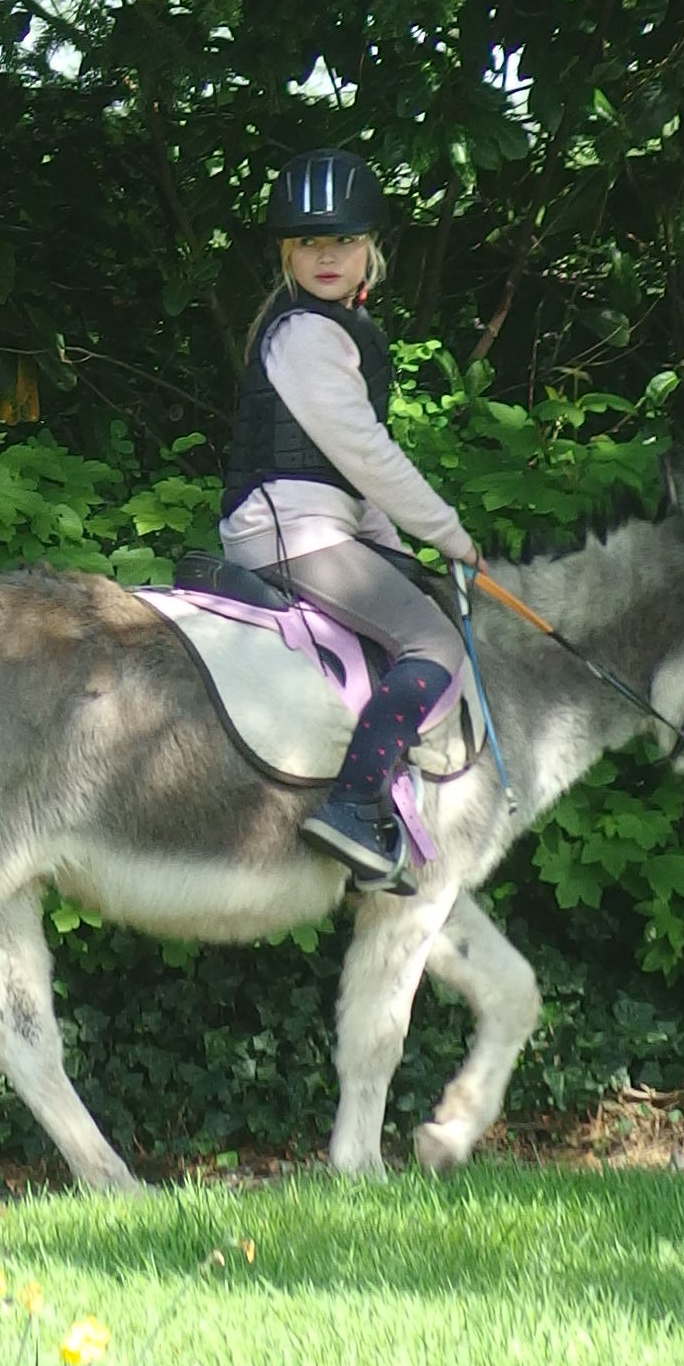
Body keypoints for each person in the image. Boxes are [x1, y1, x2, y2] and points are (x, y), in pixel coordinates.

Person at [220, 147, 476, 887]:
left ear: (371, 248)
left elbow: (350, 486)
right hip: (288, 531)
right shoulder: (307, 334)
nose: (327, 256)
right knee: (434, 641)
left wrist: (399, 552)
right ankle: (354, 809)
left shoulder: (329, 328)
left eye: (344, 240)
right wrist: (451, 537)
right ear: (286, 253)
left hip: (315, 523)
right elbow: (366, 455)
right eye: (308, 243)